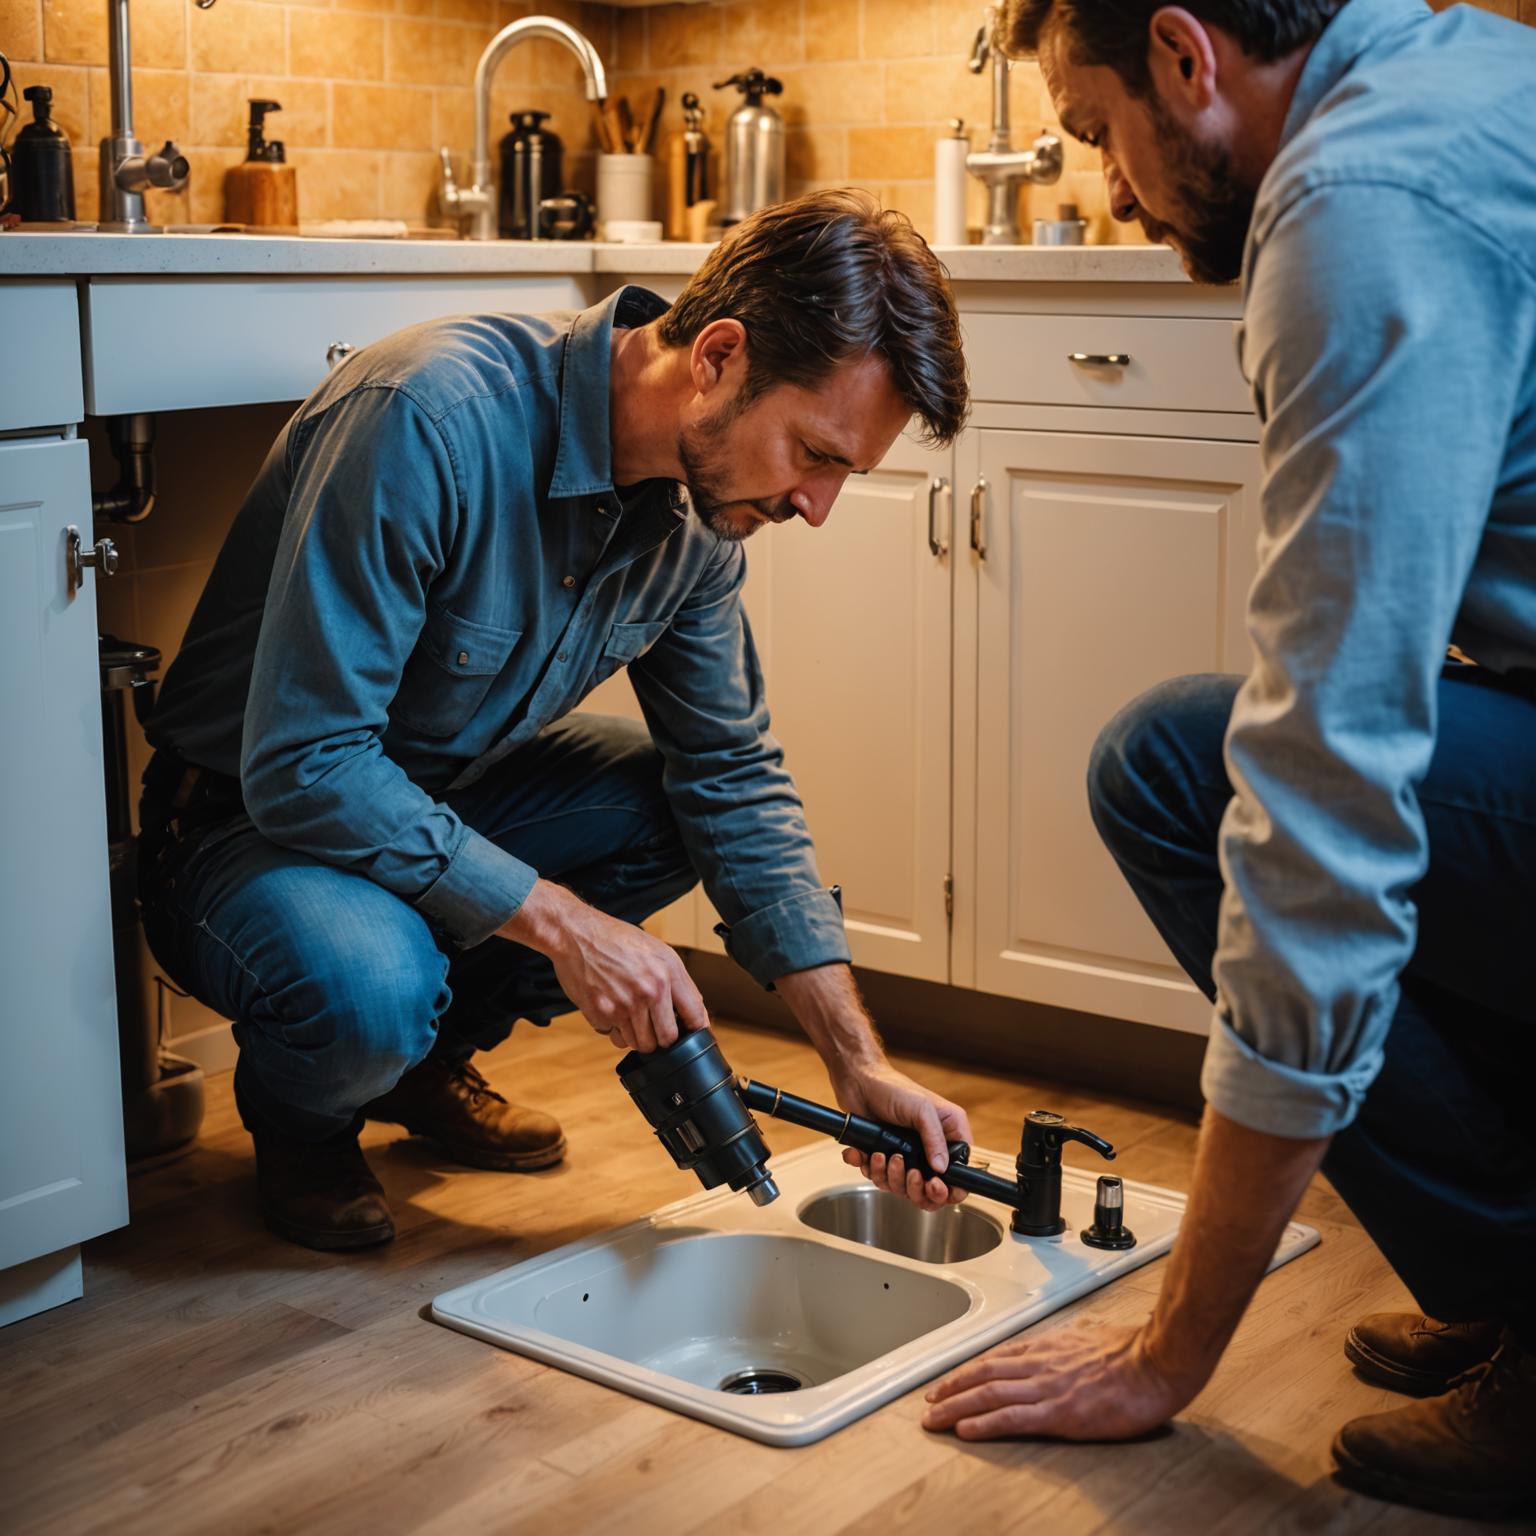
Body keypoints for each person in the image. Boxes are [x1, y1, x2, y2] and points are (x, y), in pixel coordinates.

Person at [916, 0, 1536, 1518]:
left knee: (1184, 772)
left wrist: (1168, 1355)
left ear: (1188, 59)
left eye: (1093, 131)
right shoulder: (1471, 65)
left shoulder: (1356, 205)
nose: (1110, 189)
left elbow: (1325, 803)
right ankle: (1512, 1285)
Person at [137, 189, 975, 1255]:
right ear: (718, 356)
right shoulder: (428, 417)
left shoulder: (698, 524)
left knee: (671, 806)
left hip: (428, 802)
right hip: (241, 824)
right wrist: (570, 927)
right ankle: (308, 1121)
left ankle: (422, 1064)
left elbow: (730, 773)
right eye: (815, 453)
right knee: (371, 984)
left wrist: (856, 1061)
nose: (818, 505)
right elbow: (307, 763)